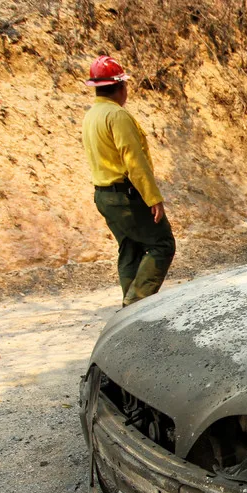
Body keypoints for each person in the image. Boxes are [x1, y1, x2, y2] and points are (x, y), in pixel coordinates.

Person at [82, 55, 175, 307]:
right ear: (121, 87)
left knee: (130, 248)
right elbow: (134, 161)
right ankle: (134, 305)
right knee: (162, 244)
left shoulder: (91, 116)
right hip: (126, 195)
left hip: (103, 194)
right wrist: (153, 197)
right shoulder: (117, 116)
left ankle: (131, 309)